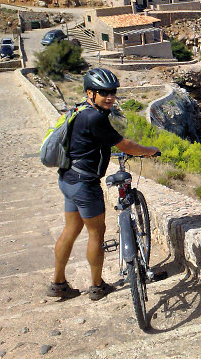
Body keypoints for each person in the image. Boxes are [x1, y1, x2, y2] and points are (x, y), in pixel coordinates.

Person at [47, 68, 159, 301]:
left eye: (112, 92)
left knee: (70, 230)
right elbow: (125, 145)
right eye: (103, 92)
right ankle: (97, 286)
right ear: (90, 92)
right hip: (85, 185)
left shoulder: (81, 110)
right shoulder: (94, 117)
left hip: (68, 179)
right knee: (96, 234)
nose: (110, 97)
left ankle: (58, 284)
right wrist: (150, 151)